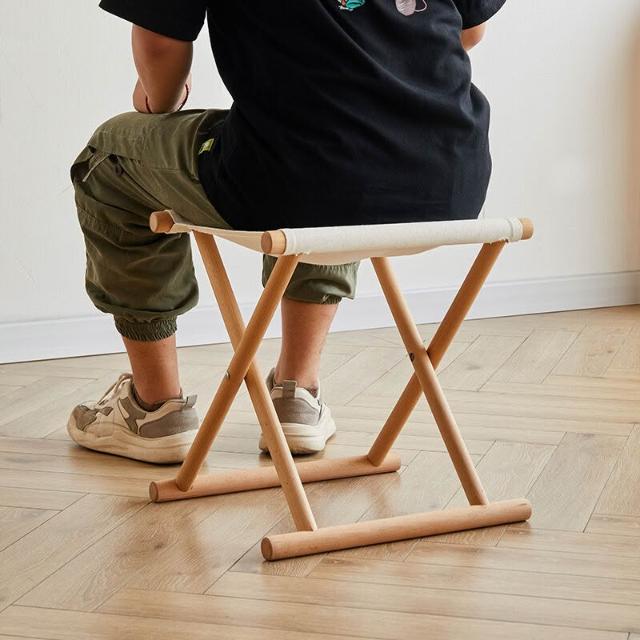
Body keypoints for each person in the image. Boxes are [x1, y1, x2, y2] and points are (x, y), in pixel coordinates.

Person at [67, 0, 506, 463]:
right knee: (330, 151)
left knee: (107, 161)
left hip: (301, 172)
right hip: (452, 177)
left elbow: (160, 43)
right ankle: (298, 392)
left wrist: (160, 101)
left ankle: (154, 408)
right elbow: (471, 30)